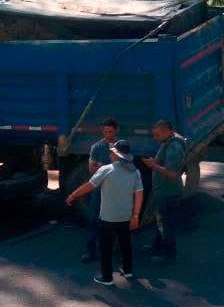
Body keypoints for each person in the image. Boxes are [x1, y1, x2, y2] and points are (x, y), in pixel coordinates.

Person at [66, 140, 144, 286]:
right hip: (126, 216)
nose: (110, 154)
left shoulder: (107, 169)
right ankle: (127, 270)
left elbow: (89, 186)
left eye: (112, 152)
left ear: (116, 154)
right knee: (125, 244)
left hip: (108, 218)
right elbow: (139, 194)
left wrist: (73, 195)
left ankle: (107, 277)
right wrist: (136, 216)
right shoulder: (135, 172)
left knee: (106, 248)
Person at [142, 119, 186, 264]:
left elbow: (172, 174)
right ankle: (157, 246)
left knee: (166, 224)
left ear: (168, 131)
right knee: (161, 221)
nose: (155, 138)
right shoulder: (168, 142)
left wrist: (153, 165)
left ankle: (168, 255)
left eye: (158, 135)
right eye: (154, 135)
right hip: (164, 191)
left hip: (168, 192)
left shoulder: (173, 148)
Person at [80, 118, 120, 263]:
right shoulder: (96, 147)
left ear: (116, 131)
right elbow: (91, 169)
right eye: (105, 132)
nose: (108, 135)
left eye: (110, 132)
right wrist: (110, 167)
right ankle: (90, 251)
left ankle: (115, 247)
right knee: (93, 219)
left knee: (116, 220)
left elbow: (125, 168)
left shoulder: (121, 147)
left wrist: (101, 166)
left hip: (115, 191)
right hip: (99, 190)